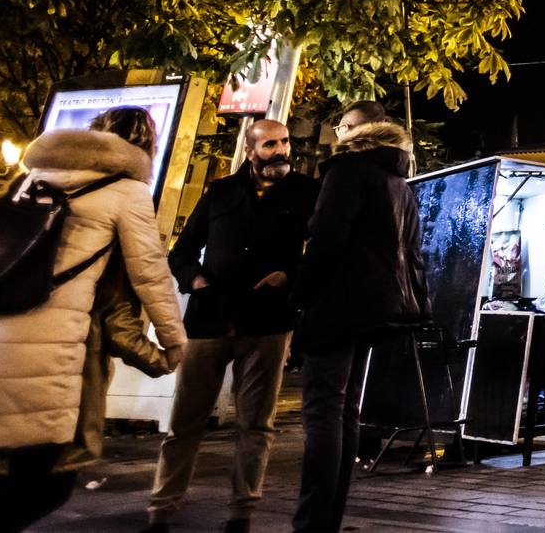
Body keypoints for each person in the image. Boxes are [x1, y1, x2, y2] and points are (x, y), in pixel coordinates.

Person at [0, 107, 187, 533]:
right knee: (46, 479)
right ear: (144, 147)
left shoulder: (29, 179)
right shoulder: (126, 190)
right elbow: (150, 271)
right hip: (50, 344)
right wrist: (173, 339)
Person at [147, 117, 315, 533]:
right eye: (270, 145)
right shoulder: (221, 191)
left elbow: (323, 252)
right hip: (209, 319)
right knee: (185, 421)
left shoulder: (308, 193)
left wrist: (288, 276)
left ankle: (242, 511)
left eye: (285, 142)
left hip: (268, 322)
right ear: (249, 150)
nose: (281, 151)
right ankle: (161, 509)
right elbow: (181, 253)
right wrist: (195, 278)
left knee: (256, 424)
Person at [291, 101, 429, 533]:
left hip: (337, 304)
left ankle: (313, 523)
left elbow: (326, 239)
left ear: (361, 131)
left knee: (323, 411)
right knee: (344, 409)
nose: (338, 131)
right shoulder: (398, 181)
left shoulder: (348, 171)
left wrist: (300, 295)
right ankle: (326, 518)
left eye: (343, 126)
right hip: (377, 308)